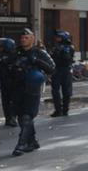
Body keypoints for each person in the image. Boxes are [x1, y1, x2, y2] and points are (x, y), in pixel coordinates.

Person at [8, 28, 55, 156]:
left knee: (27, 115)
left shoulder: (39, 52)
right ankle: (32, 141)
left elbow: (51, 67)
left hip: (32, 87)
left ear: (32, 38)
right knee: (20, 116)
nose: (23, 40)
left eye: (26, 37)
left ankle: (21, 144)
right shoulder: (16, 52)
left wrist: (36, 62)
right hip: (18, 87)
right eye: (22, 38)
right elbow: (9, 67)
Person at [49, 30, 75, 117]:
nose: (57, 39)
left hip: (66, 70)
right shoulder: (56, 47)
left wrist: (62, 51)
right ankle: (58, 110)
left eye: (59, 37)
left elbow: (67, 58)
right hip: (57, 70)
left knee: (66, 91)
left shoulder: (69, 47)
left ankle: (65, 109)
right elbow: (51, 57)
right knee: (55, 91)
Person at [0, 38, 17, 127]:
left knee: (6, 101)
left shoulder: (0, 56)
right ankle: (11, 118)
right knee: (12, 101)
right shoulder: (14, 56)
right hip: (11, 81)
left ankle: (9, 118)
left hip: (6, 81)